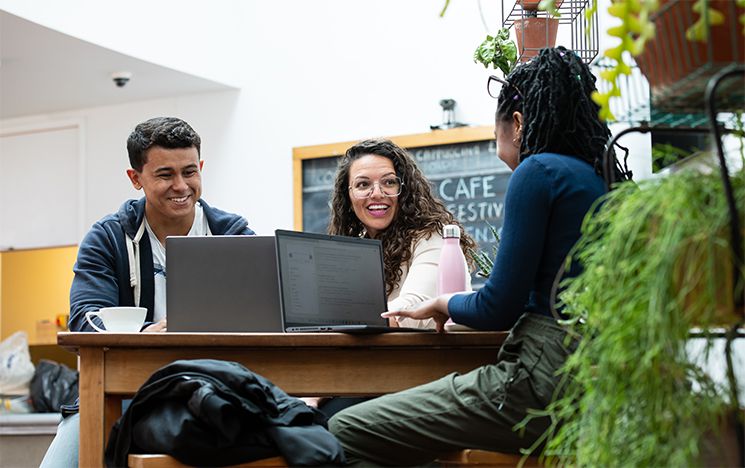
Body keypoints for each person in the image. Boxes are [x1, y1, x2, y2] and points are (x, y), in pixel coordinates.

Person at [328, 46, 632, 465]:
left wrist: (443, 302)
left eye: (496, 134)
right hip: (594, 376)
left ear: (518, 123)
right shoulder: (601, 177)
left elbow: (497, 307)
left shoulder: (537, 172)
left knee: (346, 428)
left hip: (541, 377)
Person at [40, 117, 255, 468]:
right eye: (165, 175)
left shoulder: (235, 235)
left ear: (200, 168)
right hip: (121, 390)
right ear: (135, 178)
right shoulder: (107, 238)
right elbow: (84, 320)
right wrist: (144, 335)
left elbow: (265, 313)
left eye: (189, 171)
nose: (181, 185)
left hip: (216, 389)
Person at [328, 138, 476, 329]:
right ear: (348, 197)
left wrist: (339, 318)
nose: (377, 193)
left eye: (389, 182)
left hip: (431, 357)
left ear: (404, 189)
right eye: (363, 185)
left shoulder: (433, 237)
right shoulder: (356, 246)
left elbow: (414, 306)